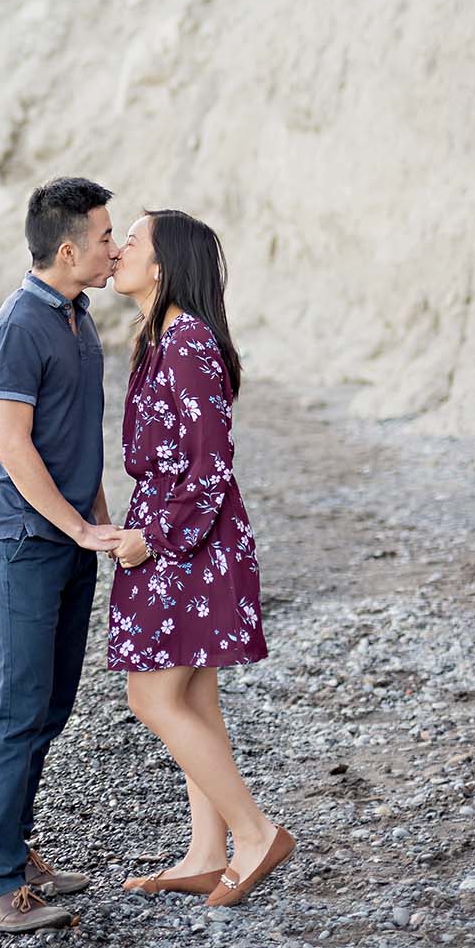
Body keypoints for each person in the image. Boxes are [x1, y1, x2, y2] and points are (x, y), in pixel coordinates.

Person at [106, 208, 293, 906]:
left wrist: (153, 539)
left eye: (132, 240)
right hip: (184, 534)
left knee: (152, 694)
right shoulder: (161, 336)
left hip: (190, 541)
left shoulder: (186, 342)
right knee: (192, 695)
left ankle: (254, 832)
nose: (118, 249)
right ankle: (207, 852)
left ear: (163, 264)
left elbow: (211, 463)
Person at [0, 176, 124, 933]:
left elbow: (76, 439)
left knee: (53, 707)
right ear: (67, 250)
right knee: (19, 712)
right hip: (20, 545)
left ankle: (18, 853)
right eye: (103, 236)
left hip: (66, 539)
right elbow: (14, 447)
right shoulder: (16, 327)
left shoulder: (78, 317)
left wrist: (98, 522)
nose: (114, 247)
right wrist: (81, 528)